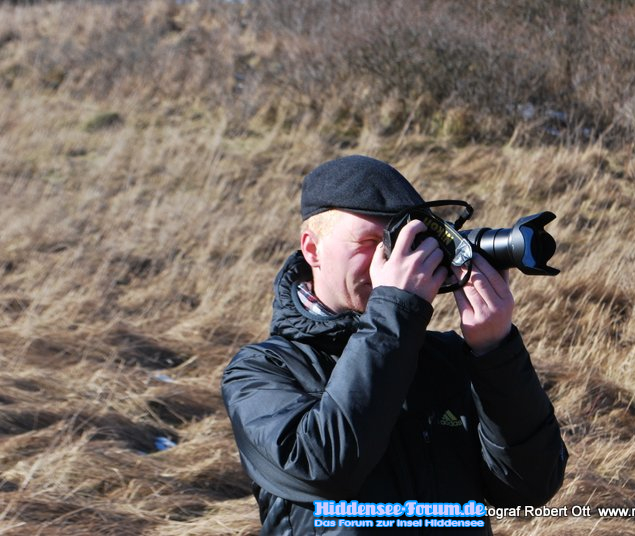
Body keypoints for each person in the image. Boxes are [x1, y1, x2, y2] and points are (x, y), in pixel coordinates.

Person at [221, 155, 568, 535]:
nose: (388, 260)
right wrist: (395, 312)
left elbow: (528, 487)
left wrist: (495, 350)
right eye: (371, 242)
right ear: (312, 249)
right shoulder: (262, 369)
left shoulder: (447, 358)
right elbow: (321, 469)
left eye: (406, 243)